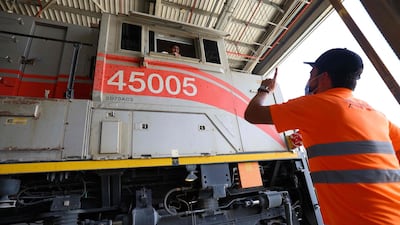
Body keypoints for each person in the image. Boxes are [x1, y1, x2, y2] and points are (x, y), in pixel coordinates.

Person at [244, 48, 400, 225]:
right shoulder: (376, 114)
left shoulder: (315, 105)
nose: (309, 80)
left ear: (323, 77)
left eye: (312, 74)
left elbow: (253, 113)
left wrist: (265, 89)